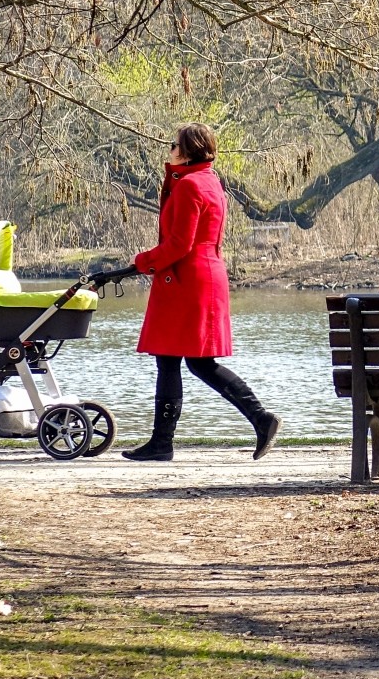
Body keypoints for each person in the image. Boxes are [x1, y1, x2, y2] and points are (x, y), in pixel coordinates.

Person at [113, 123, 281, 462]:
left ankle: (164, 443)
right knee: (196, 362)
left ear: (186, 151)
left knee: (173, 359)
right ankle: (259, 418)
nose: (170, 147)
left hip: (188, 280)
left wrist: (144, 261)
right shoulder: (210, 181)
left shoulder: (190, 186)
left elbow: (180, 243)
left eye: (174, 144)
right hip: (204, 275)